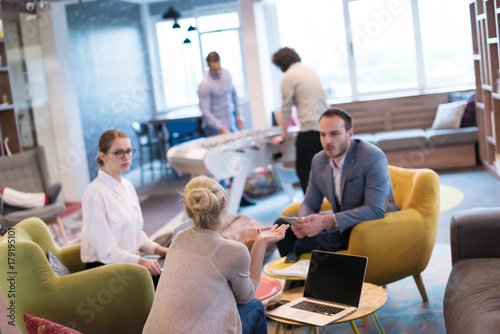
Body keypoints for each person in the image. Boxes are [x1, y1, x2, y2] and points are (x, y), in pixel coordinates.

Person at [143, 176, 289, 334]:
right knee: (255, 306)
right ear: (224, 203)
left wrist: (240, 242)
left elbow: (212, 261)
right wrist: (260, 244)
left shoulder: (179, 238)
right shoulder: (233, 251)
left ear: (188, 211)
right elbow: (246, 296)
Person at [276, 108, 400, 257]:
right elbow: (309, 203)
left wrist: (327, 221)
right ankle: (300, 279)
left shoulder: (372, 156)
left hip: (369, 225)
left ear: (350, 134)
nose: (327, 141)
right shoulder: (319, 160)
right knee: (282, 229)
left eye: (334, 134)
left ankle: (303, 280)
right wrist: (304, 222)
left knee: (306, 244)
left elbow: (375, 210)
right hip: (341, 222)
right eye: (323, 134)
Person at [80, 130, 168, 287]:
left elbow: (133, 232)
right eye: (119, 152)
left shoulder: (127, 185)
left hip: (128, 261)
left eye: (129, 151)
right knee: (167, 285)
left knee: (175, 271)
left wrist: (158, 249)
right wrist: (140, 261)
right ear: (103, 156)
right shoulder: (95, 193)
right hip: (105, 270)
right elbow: (105, 251)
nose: (126, 157)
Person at [271, 47, 328, 193]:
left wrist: (283, 135)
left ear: (280, 64)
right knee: (324, 170)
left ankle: (310, 209)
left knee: (304, 172)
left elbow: (286, 108)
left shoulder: (288, 77)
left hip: (310, 130)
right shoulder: (309, 71)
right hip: (325, 128)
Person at [198, 51, 244, 137]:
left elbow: (233, 94)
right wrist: (221, 128)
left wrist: (239, 113)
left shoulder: (226, 74)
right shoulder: (205, 84)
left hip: (229, 122)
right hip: (214, 128)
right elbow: (206, 111)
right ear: (208, 66)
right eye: (214, 70)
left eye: (218, 68)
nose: (217, 72)